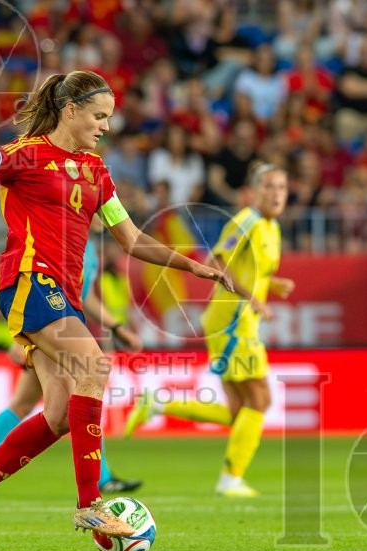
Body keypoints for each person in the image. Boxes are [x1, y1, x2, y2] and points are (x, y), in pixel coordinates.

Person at [0, 70, 232, 551]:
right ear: (71, 110)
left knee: (62, 414)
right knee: (95, 366)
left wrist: (197, 267)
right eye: (99, 116)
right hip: (28, 281)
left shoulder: (97, 172)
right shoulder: (22, 154)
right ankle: (90, 503)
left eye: (109, 118)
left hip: (64, 294)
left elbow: (132, 240)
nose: (106, 126)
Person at [125, 163, 295, 498]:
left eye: (282, 188)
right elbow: (218, 263)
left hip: (240, 320)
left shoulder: (271, 228)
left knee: (238, 409)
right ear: (254, 191)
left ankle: (158, 405)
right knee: (260, 399)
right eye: (270, 187)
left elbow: (248, 272)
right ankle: (230, 480)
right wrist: (253, 299)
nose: (277, 194)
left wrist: (270, 284)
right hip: (232, 322)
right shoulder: (247, 220)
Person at [0, 238, 145, 495]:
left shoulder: (88, 245)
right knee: (83, 395)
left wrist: (117, 327)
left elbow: (86, 296)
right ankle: (98, 482)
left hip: (64, 327)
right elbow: (32, 285)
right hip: (51, 327)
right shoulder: (62, 234)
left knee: (26, 404)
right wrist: (24, 336)